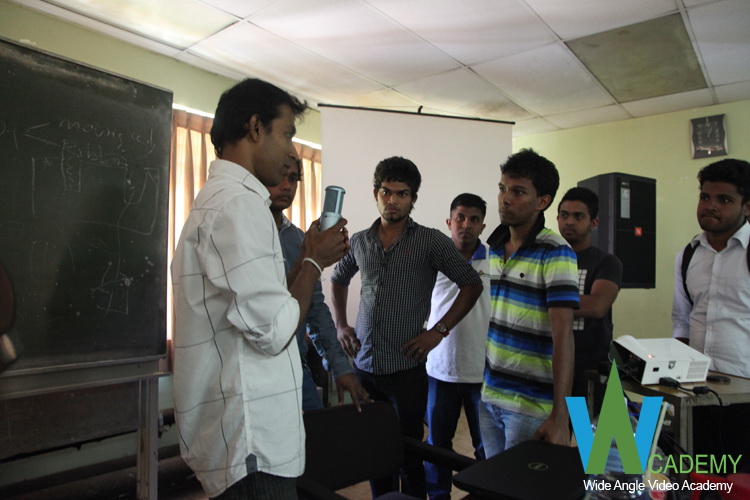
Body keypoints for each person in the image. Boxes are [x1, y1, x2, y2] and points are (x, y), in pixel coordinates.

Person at [171, 78, 350, 499]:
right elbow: (273, 331)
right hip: (251, 444)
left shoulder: (230, 200)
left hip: (249, 438)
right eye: (286, 134)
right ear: (255, 128)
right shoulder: (238, 205)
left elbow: (263, 311)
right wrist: (312, 260)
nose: (290, 151)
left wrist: (306, 255)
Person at [330, 156, 483, 498]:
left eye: (402, 194)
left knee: (410, 452)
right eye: (387, 192)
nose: (393, 200)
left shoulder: (431, 241)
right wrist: (341, 325)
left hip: (407, 368)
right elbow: (338, 279)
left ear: (413, 199)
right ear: (375, 193)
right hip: (365, 367)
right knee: (377, 452)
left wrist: (438, 332)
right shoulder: (360, 240)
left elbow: (471, 284)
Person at [480, 148, 579, 458]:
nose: (505, 199)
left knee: (520, 483)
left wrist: (560, 416)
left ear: (542, 201)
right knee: (491, 481)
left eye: (518, 192)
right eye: (502, 188)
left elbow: (564, 336)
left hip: (530, 405)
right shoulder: (495, 246)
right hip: (490, 395)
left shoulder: (555, 251)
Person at [266, 153, 368, 411]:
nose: (286, 186)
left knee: (317, 434)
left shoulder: (298, 238)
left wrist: (340, 366)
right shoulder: (248, 235)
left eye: (293, 178)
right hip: (259, 370)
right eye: (279, 177)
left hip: (296, 370)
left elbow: (315, 308)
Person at [672, 158, 750, 470]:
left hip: (745, 395)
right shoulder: (688, 254)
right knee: (699, 477)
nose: (711, 206)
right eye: (705, 197)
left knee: (741, 481)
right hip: (698, 392)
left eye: (724, 199)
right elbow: (682, 319)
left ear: (747, 206)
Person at [424, 193, 490, 500]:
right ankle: (438, 495)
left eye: (474, 219)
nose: (466, 225)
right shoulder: (433, 261)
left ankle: (485, 494)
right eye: (460, 218)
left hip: (482, 372)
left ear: (482, 226)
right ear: (449, 222)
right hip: (440, 370)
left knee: (486, 447)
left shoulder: (495, 261)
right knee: (437, 446)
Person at [556, 187, 622, 407]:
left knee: (587, 430)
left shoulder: (606, 262)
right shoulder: (547, 259)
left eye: (578, 216)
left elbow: (596, 306)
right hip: (549, 365)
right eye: (564, 215)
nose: (569, 222)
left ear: (594, 222)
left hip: (589, 369)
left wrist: (547, 299)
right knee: (552, 428)